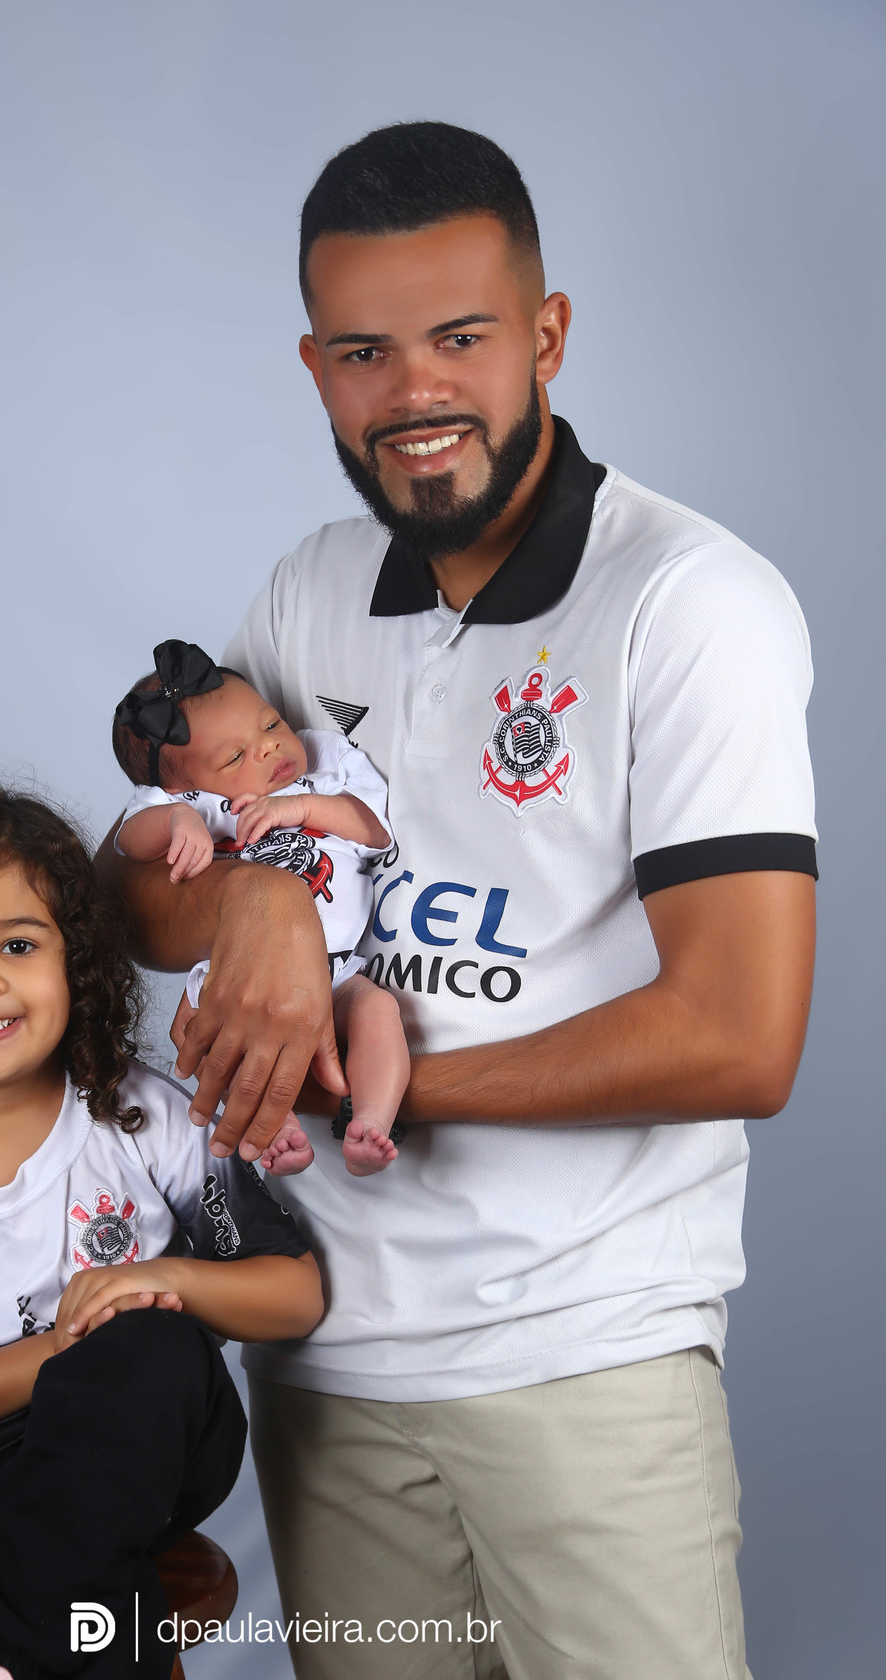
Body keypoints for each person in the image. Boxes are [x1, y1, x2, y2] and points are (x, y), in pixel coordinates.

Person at [104, 122, 818, 1680]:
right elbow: (141, 901)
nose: (414, 392)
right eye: (365, 352)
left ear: (547, 335)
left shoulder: (691, 602)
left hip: (586, 1355)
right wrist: (256, 909)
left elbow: (740, 1035)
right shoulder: (307, 589)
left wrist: (385, 1089)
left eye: (462, 337)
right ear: (315, 368)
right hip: (329, 1363)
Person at [0, 782, 323, 1680]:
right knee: (84, 1599)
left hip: (151, 1455)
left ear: (75, 962)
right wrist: (57, 1351)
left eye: (17, 944)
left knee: (152, 1340)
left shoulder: (143, 1119)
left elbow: (296, 1294)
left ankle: (6, 1650)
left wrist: (164, 1283)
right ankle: (16, 1657)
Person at [112, 637, 410, 1176]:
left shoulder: (326, 766)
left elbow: (373, 829)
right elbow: (129, 841)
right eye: (234, 756)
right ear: (183, 787)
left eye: (271, 724)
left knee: (379, 1013)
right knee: (221, 1045)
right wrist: (178, 822)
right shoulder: (195, 804)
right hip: (242, 973)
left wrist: (302, 808)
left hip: (338, 970)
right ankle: (276, 1132)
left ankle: (371, 1122)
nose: (269, 747)